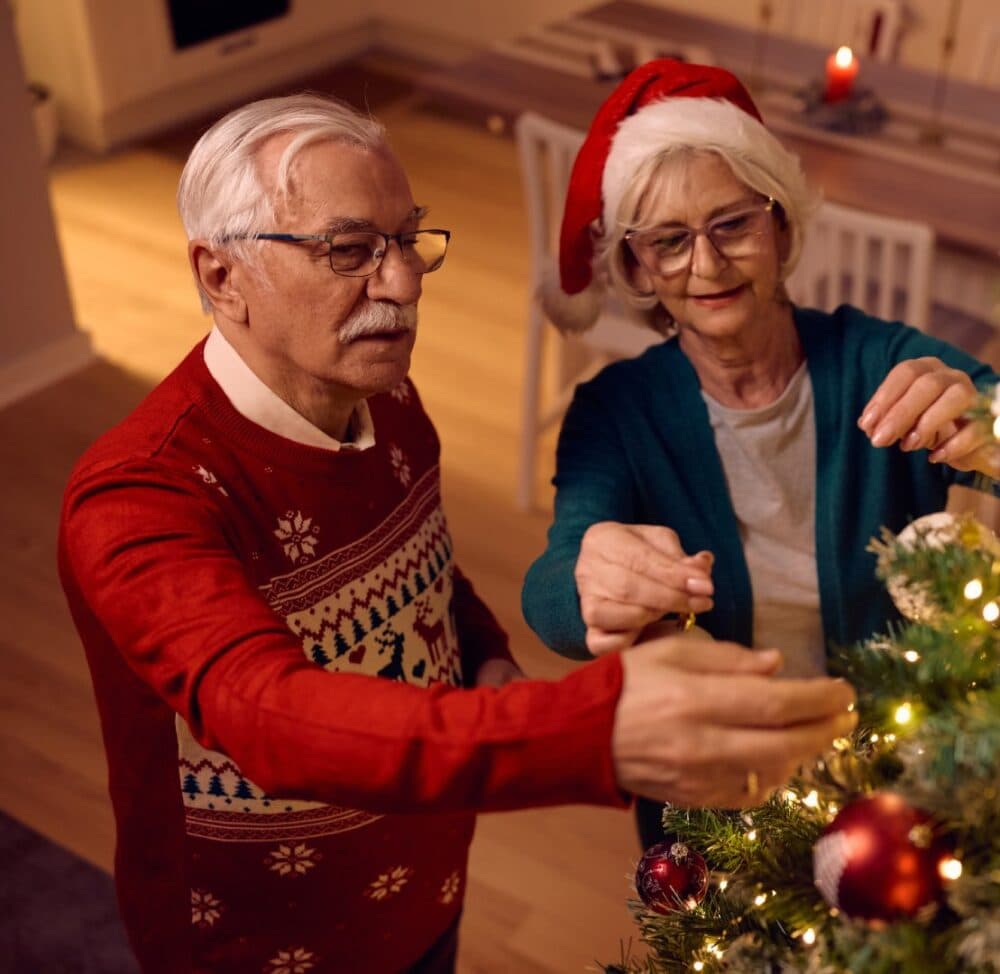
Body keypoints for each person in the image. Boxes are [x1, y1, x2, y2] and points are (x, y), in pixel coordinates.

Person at [57, 92, 857, 974]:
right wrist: (592, 726)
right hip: (256, 942)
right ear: (220, 275)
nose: (401, 285)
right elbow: (267, 716)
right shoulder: (138, 499)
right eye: (351, 250)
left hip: (426, 884)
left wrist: (482, 653)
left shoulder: (385, 398)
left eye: (407, 242)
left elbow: (427, 565)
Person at [520, 58, 1000, 850]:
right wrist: (585, 580)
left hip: (900, 757)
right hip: (724, 780)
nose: (705, 265)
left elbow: (987, 407)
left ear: (780, 224)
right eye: (669, 242)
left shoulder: (873, 362)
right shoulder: (616, 410)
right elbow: (551, 591)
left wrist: (989, 426)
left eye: (732, 224)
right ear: (637, 268)